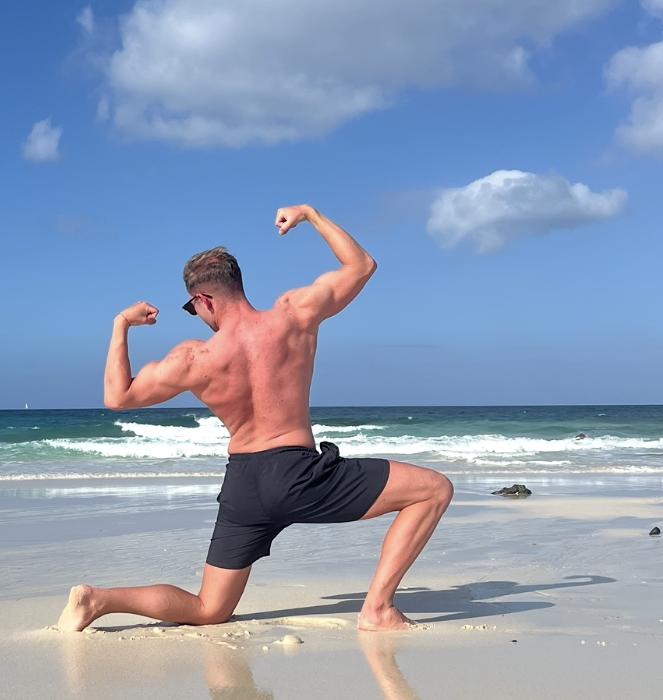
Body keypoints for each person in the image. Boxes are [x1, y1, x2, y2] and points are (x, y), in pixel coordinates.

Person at [57, 205, 452, 635]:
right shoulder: (293, 314)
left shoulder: (195, 357)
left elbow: (118, 396)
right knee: (433, 490)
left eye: (193, 309)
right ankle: (376, 609)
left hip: (244, 485)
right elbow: (361, 265)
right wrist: (311, 215)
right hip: (300, 475)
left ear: (204, 298)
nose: (198, 317)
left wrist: (121, 325)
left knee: (209, 608)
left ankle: (98, 600)